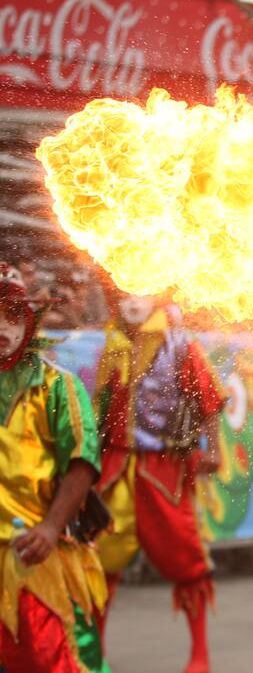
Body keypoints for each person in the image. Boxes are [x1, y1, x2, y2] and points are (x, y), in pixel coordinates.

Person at [94, 291, 226, 673]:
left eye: (141, 292)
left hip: (163, 465)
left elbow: (210, 399)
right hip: (115, 463)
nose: (132, 301)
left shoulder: (181, 344)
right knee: (100, 558)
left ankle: (199, 653)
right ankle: (94, 653)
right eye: (125, 294)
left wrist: (214, 449)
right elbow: (101, 404)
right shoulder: (112, 342)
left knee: (185, 556)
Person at [0, 263, 109, 672]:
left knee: (57, 661)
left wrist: (49, 528)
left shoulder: (58, 385)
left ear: (30, 320)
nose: (3, 327)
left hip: (36, 556)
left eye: (13, 314)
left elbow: (81, 461)